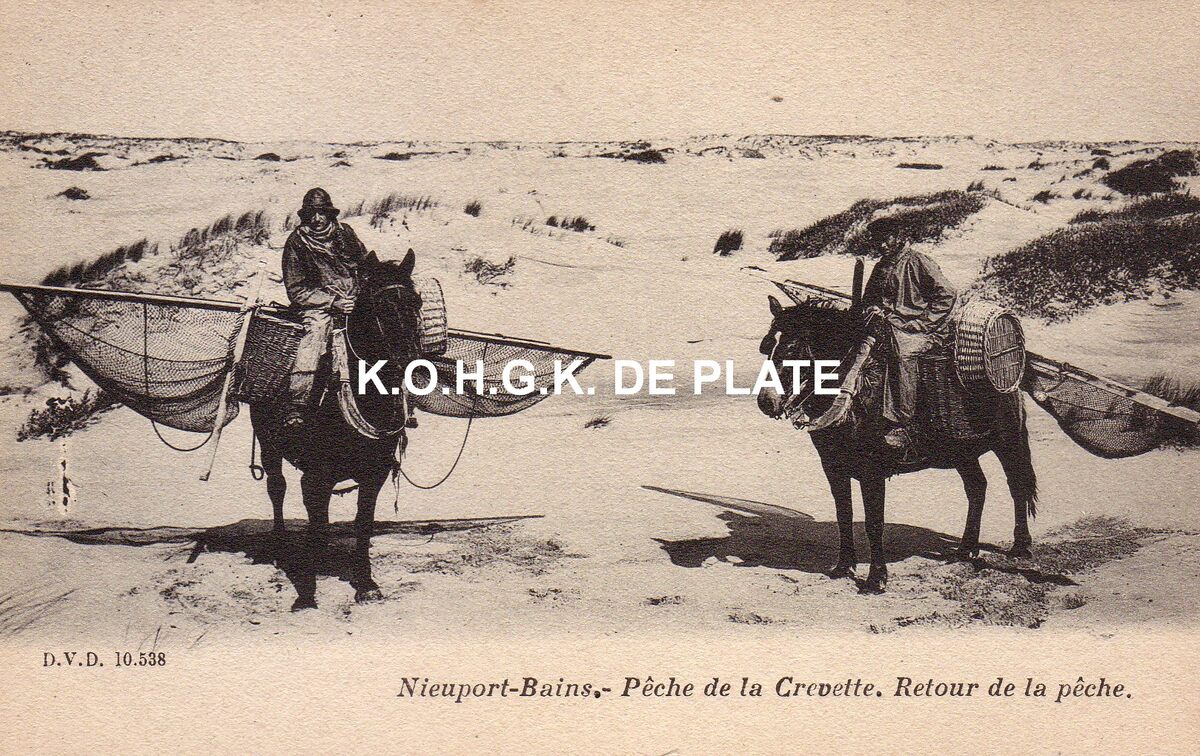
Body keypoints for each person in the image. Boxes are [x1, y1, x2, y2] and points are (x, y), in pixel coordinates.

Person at [859, 215, 958, 451]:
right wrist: (871, 309)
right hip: (889, 326)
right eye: (877, 241)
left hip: (923, 330)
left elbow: (947, 294)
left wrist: (922, 323)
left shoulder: (919, 262)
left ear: (898, 237)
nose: (882, 245)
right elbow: (869, 299)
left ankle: (904, 421)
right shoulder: (881, 267)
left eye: (886, 239)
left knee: (902, 355)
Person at [282, 188, 369, 427]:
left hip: (353, 301)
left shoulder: (345, 232)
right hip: (319, 307)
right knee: (313, 336)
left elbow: (364, 264)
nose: (317, 219)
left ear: (329, 213)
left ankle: (403, 398)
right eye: (312, 214)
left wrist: (360, 293)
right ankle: (297, 402)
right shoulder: (297, 242)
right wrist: (333, 302)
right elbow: (296, 289)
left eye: (321, 213)